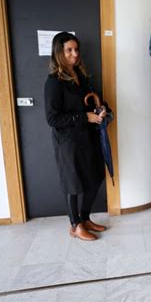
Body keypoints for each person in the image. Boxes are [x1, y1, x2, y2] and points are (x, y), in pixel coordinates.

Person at [44, 32, 108, 241]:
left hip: (88, 137)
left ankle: (85, 218)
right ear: (59, 53)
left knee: (94, 178)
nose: (75, 54)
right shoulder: (54, 82)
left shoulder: (82, 76)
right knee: (73, 184)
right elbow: (53, 119)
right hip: (68, 142)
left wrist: (102, 109)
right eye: (69, 50)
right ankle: (75, 225)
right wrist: (84, 117)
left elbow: (94, 102)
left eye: (76, 49)